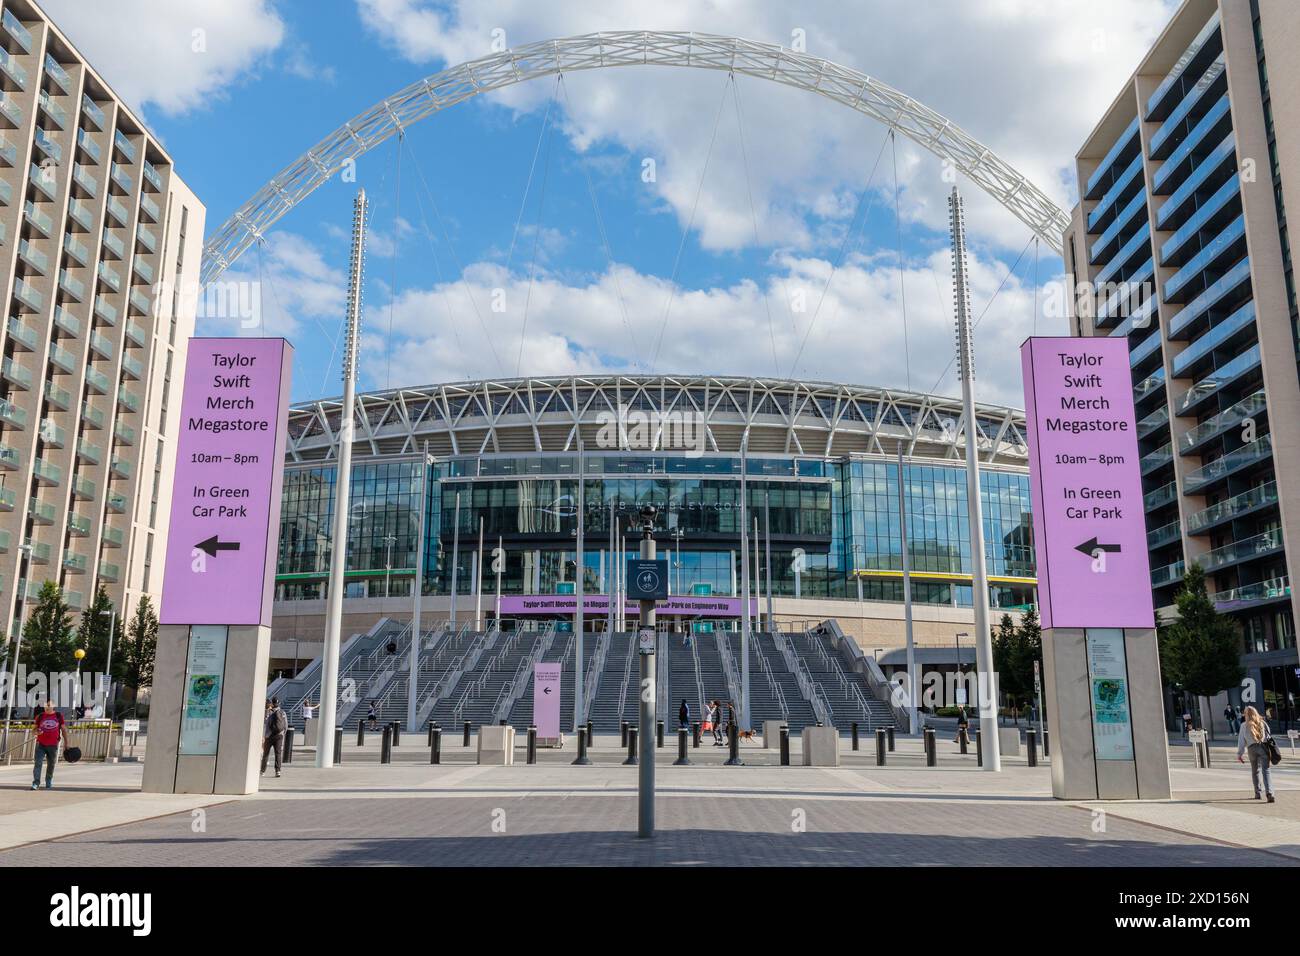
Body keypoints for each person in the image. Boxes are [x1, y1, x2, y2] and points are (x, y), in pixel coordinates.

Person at [1237, 705, 1275, 803]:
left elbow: (1241, 741)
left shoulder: (1243, 725)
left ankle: (1257, 793)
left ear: (1246, 714)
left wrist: (1240, 754)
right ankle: (1269, 793)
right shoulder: (1262, 723)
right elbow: (1268, 736)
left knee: (1255, 771)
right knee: (1266, 771)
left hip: (1251, 749)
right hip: (1263, 747)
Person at [31, 700, 70, 791]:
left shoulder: (58, 716)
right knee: (38, 763)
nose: (47, 707)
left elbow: (63, 730)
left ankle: (48, 780)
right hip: (41, 744)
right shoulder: (40, 716)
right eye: (45, 705)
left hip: (53, 745)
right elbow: (33, 731)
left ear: (53, 706)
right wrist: (37, 732)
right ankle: (36, 783)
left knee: (51, 764)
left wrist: (66, 743)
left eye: (49, 705)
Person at [262, 697, 288, 778]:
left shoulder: (268, 712)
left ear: (272, 703)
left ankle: (262, 771)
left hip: (269, 736)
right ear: (279, 703)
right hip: (279, 736)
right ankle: (278, 771)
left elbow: (265, 722)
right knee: (278, 754)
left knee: (266, 754)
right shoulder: (283, 712)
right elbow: (286, 725)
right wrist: (282, 733)